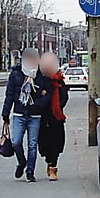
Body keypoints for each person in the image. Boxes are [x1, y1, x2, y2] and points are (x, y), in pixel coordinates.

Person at [1, 48, 52, 183]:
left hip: (35, 115)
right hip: (19, 113)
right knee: (16, 141)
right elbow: (10, 94)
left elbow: (48, 92)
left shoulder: (42, 74)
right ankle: (22, 162)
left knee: (32, 144)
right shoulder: (16, 73)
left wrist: (39, 103)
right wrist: (5, 113)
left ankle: (30, 171)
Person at [38, 52, 68, 181]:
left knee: (56, 143)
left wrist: (58, 107)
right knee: (44, 144)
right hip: (42, 116)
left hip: (56, 117)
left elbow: (64, 96)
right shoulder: (39, 79)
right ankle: (49, 161)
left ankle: (53, 167)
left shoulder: (59, 79)